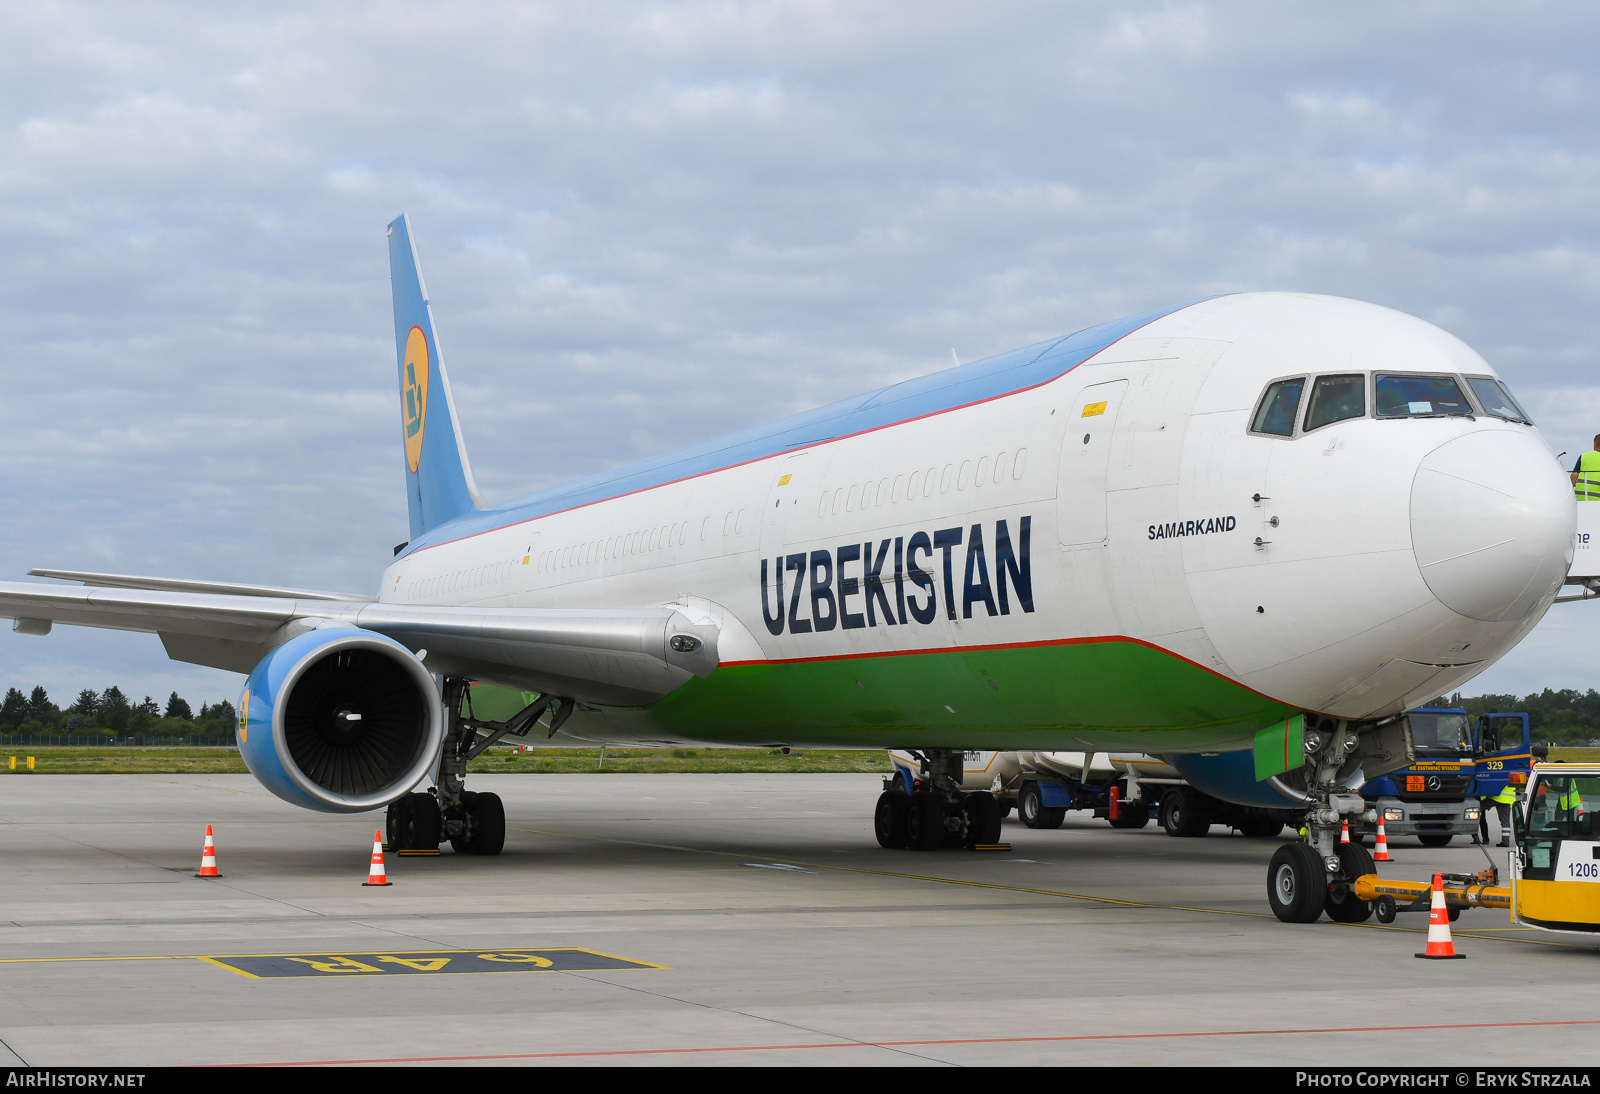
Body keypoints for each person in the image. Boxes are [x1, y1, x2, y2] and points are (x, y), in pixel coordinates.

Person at [1572, 435, 1600, 500]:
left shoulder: (1584, 456)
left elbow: (1574, 476)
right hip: (1597, 500)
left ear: (1595, 443)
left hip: (1580, 499)